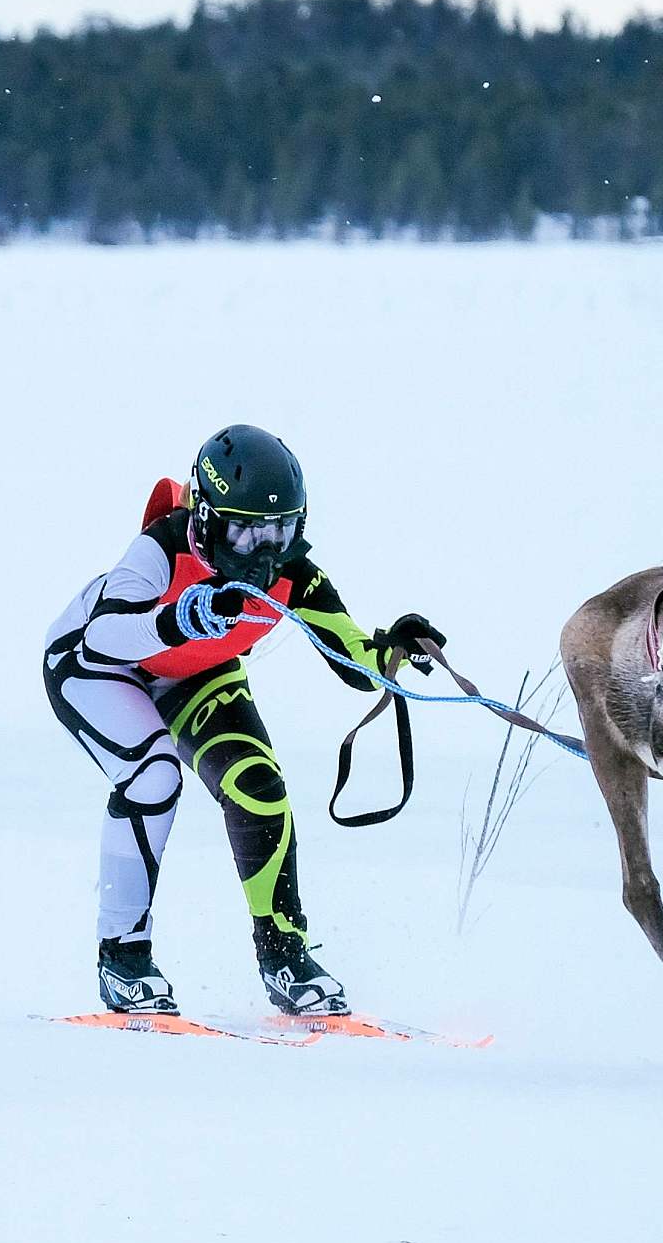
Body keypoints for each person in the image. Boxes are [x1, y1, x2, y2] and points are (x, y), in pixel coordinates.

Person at [42, 425, 443, 1018]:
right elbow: (105, 636)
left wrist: (395, 650)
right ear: (204, 517)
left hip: (192, 672)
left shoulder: (293, 573)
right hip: (95, 666)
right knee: (154, 777)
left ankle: (284, 955)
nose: (262, 548)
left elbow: (354, 661)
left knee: (258, 786)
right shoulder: (162, 549)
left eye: (280, 529)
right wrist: (182, 620)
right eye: (245, 528)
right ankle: (123, 956)